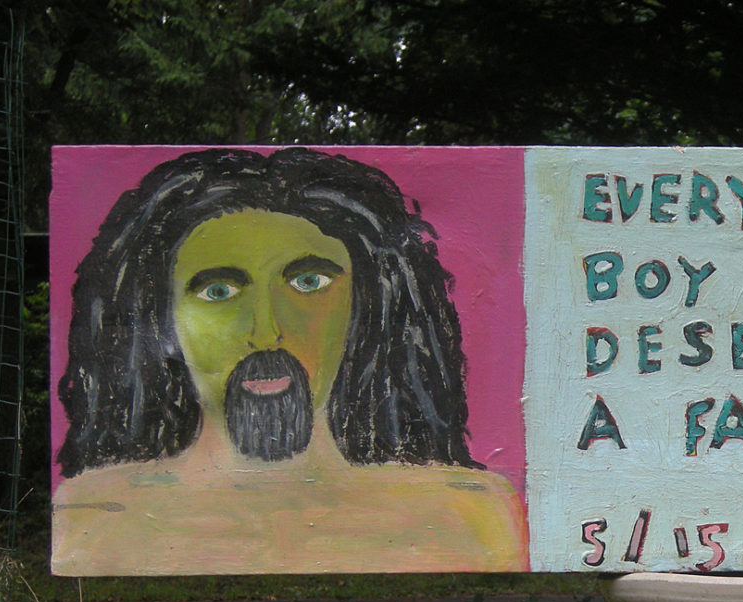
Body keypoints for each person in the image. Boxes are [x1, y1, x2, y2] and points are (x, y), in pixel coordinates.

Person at [52, 147, 527, 573]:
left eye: (309, 284)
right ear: (161, 317)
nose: (266, 332)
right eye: (219, 292)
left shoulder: (470, 518)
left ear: (367, 306)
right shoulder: (92, 515)